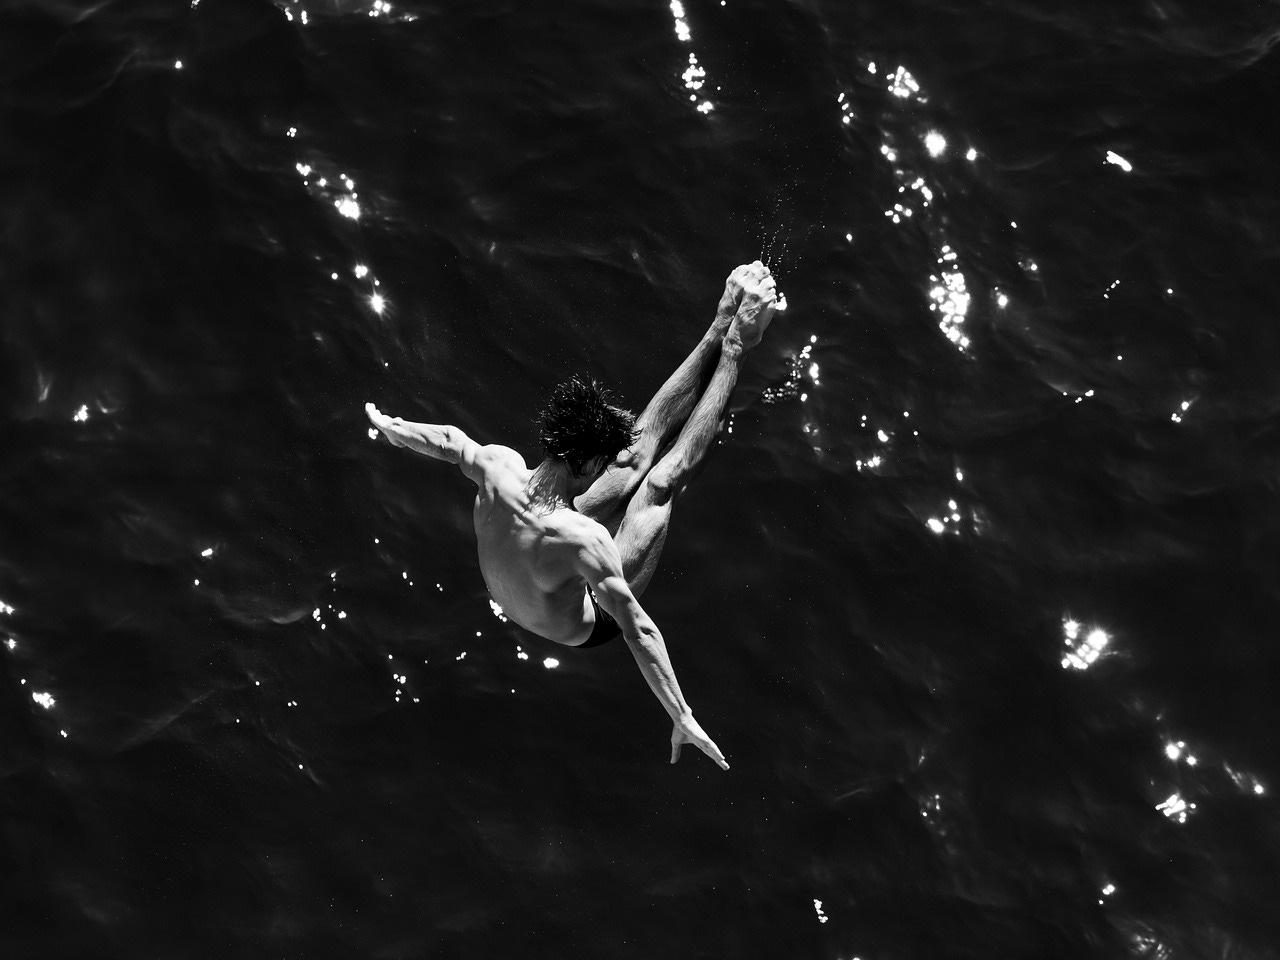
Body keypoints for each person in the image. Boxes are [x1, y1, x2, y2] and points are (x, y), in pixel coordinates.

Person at [365, 262, 780, 770]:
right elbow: (637, 629)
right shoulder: (584, 539)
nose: (605, 466)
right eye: (599, 463)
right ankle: (737, 345)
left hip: (530, 569)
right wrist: (681, 714)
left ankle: (721, 318)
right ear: (585, 465)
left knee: (631, 457)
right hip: (583, 621)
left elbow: (451, 441)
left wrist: (397, 429)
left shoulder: (497, 466)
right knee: (658, 483)